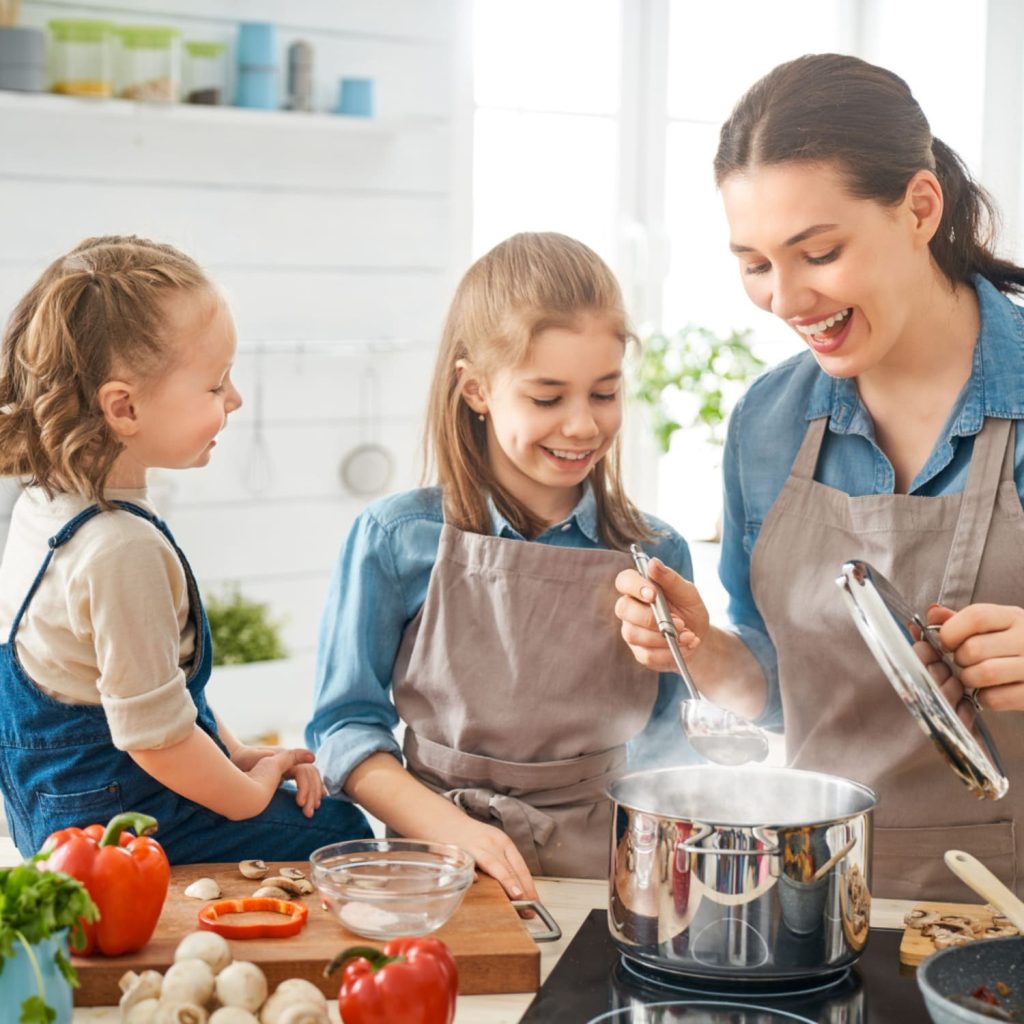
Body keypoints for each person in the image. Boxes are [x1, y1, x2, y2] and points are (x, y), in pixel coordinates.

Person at [615, 53, 1024, 901]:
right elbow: (769, 687)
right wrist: (705, 651)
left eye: (820, 253)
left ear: (919, 207)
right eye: (757, 263)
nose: (787, 299)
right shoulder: (768, 424)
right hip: (821, 897)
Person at [308, 232, 695, 898]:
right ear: (477, 390)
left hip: (609, 868)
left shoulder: (655, 552)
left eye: (603, 394)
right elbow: (344, 730)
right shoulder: (394, 538)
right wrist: (449, 829)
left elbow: (674, 744)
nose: (582, 426)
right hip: (434, 863)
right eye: (548, 398)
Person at [0, 235, 372, 861]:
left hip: (52, 813)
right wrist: (249, 793)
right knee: (343, 832)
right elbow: (156, 739)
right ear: (124, 408)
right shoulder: (119, 548)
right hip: (120, 828)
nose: (235, 399)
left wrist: (236, 755)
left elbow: (153, 688)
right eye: (215, 385)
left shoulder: (42, 504)